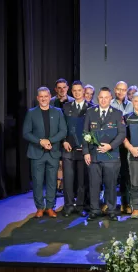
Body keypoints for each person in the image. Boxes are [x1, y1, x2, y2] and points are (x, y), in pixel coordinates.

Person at [23, 87, 67, 218]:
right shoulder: (31, 113)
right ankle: (39, 208)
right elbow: (26, 133)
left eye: (46, 96)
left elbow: (63, 131)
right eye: (41, 96)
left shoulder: (58, 112)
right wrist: (40, 141)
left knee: (52, 181)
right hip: (36, 152)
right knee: (37, 182)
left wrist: (49, 141)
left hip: (53, 151)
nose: (43, 99)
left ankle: (50, 207)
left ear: (49, 97)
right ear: (38, 98)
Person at [83, 87, 126, 221]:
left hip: (111, 156)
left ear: (110, 99)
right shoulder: (90, 112)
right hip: (94, 155)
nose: (103, 100)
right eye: (101, 97)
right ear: (98, 98)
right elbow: (85, 133)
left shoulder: (117, 114)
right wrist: (85, 152)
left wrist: (110, 146)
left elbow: (122, 134)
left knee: (111, 184)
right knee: (94, 184)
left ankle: (112, 210)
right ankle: (95, 210)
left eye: (106, 97)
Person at [62, 81, 95, 217]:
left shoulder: (91, 108)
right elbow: (62, 126)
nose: (77, 93)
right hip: (68, 148)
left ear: (83, 91)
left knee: (82, 179)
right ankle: (68, 206)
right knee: (68, 179)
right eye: (74, 91)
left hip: (84, 149)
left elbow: (94, 129)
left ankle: (80, 206)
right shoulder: (65, 107)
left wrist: (87, 143)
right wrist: (63, 141)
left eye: (79, 90)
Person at [110, 81, 134, 214]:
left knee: (126, 175)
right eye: (118, 89)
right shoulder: (110, 104)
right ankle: (110, 203)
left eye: (123, 90)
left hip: (126, 145)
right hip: (113, 144)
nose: (120, 92)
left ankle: (126, 203)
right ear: (115, 90)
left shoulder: (131, 105)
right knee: (112, 176)